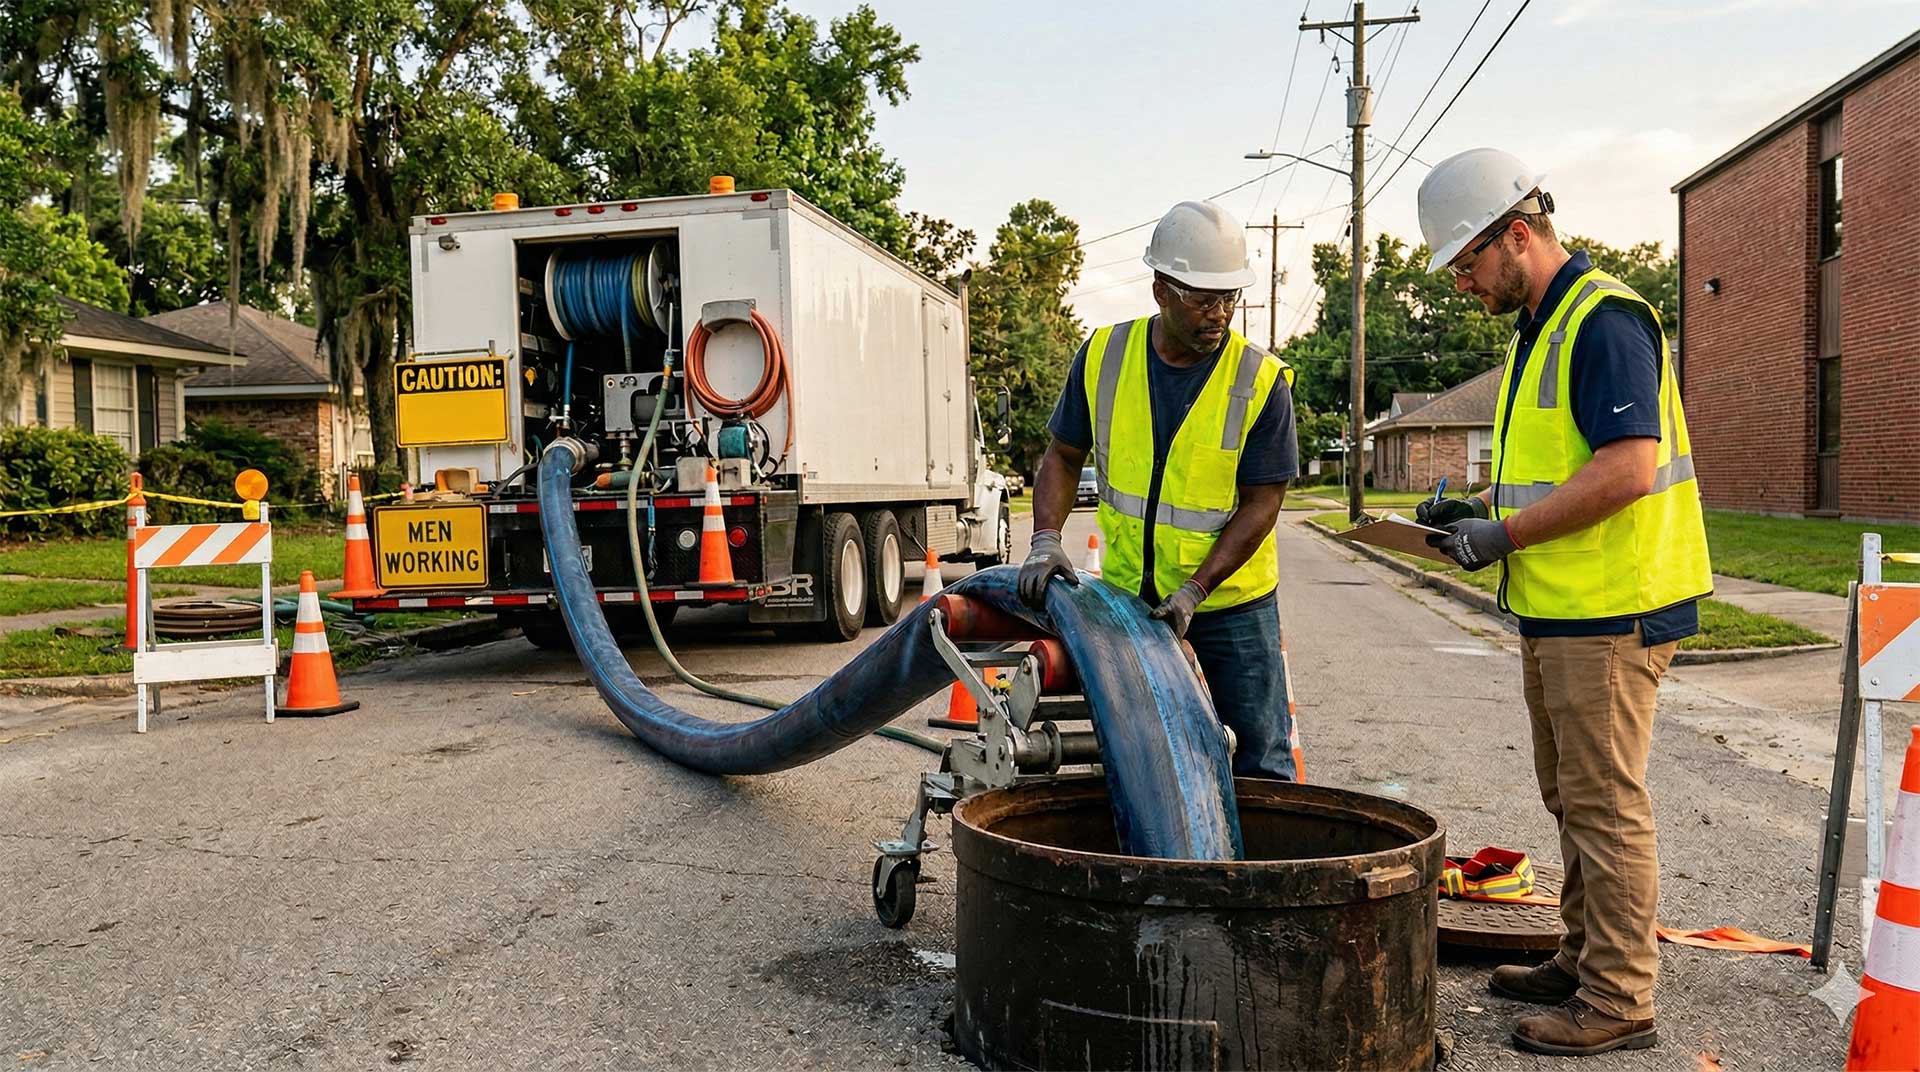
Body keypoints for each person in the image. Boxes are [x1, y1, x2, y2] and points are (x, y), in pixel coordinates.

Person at [1413, 148, 1712, 1057]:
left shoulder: (1604, 319)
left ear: (1517, 234)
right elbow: (1558, 469)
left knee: (1605, 806)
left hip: (1614, 608)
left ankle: (1618, 997)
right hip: (1565, 608)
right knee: (1573, 797)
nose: (1461, 282)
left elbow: (1626, 470)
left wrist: (1504, 536)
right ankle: (1582, 957)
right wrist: (1479, 511)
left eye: (1465, 261)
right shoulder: (1539, 330)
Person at [1017, 200, 1300, 781]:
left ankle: (1258, 844)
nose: (1220, 314)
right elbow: (1063, 456)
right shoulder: (1103, 356)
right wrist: (1046, 539)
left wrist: (1195, 590)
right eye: (1203, 299)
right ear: (1161, 292)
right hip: (1131, 603)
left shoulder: (1260, 380)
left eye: (1230, 297)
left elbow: (1263, 503)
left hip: (1230, 607)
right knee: (1135, 756)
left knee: (1259, 760)